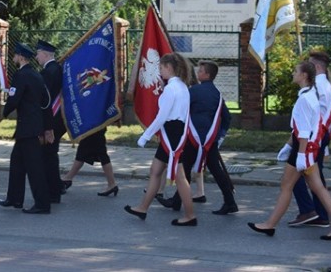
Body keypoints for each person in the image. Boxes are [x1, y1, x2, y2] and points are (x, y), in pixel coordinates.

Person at [248, 61, 331, 240]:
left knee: (286, 186)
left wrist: (300, 154)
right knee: (318, 188)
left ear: (304, 75)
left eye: (295, 71)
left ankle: (270, 225)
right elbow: (302, 127)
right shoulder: (310, 95)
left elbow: (304, 131)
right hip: (308, 148)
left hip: (304, 149)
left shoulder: (304, 99)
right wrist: (289, 145)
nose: (293, 74)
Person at [124, 52, 197, 226]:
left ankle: (190, 216)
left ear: (169, 67)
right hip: (175, 132)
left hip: (172, 134)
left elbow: (161, 117)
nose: (160, 71)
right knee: (155, 171)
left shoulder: (171, 89)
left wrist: (145, 136)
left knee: (179, 177)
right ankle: (143, 208)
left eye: (161, 67)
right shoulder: (182, 86)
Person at [163, 60, 239, 215]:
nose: (198, 73)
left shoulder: (195, 91)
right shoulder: (217, 94)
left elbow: (180, 106)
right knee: (213, 170)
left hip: (194, 137)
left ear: (207, 75)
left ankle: (177, 202)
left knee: (186, 168)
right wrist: (220, 136)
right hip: (210, 139)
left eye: (201, 71)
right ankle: (229, 202)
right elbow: (227, 117)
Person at [0, 43, 52, 214]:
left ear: (21, 57)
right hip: (31, 126)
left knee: (34, 168)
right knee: (17, 164)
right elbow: (46, 102)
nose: (13, 57)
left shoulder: (21, 75)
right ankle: (14, 198)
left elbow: (14, 98)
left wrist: (4, 113)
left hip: (28, 128)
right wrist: (47, 126)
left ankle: (42, 204)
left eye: (15, 55)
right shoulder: (36, 75)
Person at [288, 51, 331, 227]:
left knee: (297, 177)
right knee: (314, 178)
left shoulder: (318, 87)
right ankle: (320, 214)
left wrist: (300, 146)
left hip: (311, 138)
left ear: (315, 67)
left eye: (309, 64)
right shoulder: (324, 85)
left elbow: (311, 118)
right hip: (317, 136)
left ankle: (310, 211)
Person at [35, 39, 65, 204]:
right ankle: (57, 186)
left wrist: (45, 126)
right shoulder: (57, 68)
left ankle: (53, 192)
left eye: (38, 54)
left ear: (45, 54)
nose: (36, 57)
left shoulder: (48, 72)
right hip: (58, 119)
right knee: (51, 155)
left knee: (48, 156)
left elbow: (44, 100)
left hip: (51, 119)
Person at [60, 125, 118, 196]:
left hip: (92, 129)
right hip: (96, 128)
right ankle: (112, 184)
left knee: (84, 154)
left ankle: (68, 178)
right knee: (98, 155)